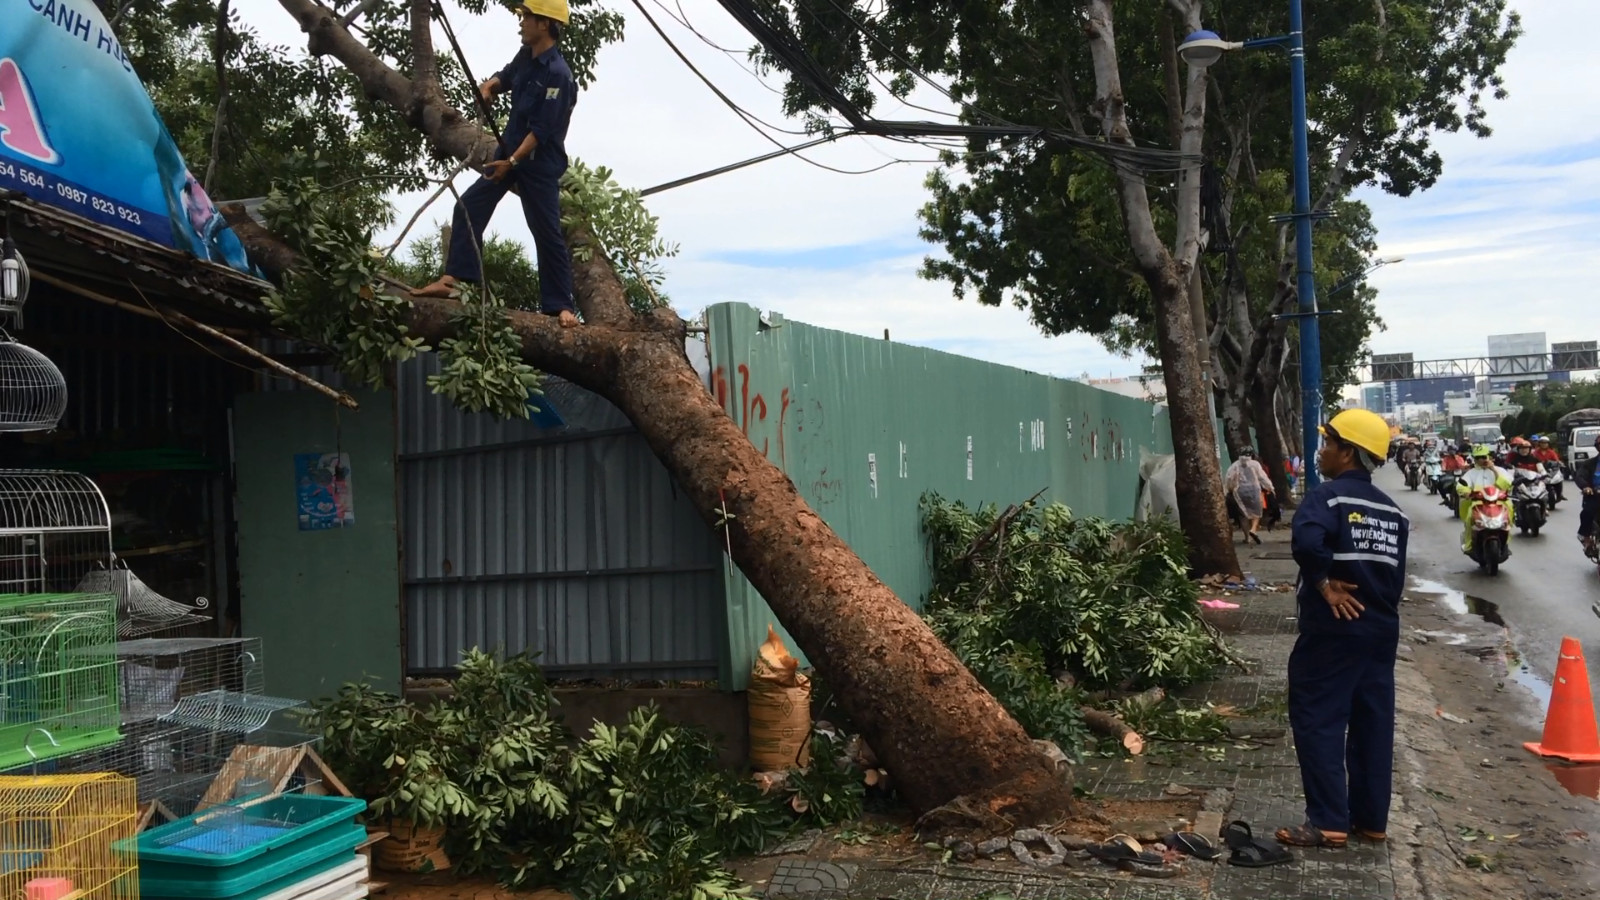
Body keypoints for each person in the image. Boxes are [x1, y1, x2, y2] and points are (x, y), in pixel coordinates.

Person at [1276, 408, 1408, 850]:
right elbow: (1395, 578)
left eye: (1329, 443)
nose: (1322, 452)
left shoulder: (1328, 498)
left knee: (1318, 718)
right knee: (1373, 724)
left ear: (1348, 452)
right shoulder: (1393, 512)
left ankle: (1328, 821)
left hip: (1333, 631)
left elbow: (1306, 541)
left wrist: (1323, 584)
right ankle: (1371, 821)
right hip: (1381, 633)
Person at [415, 0, 580, 328]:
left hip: (538, 163)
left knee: (546, 231)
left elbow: (542, 131)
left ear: (545, 24)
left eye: (527, 17)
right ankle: (457, 280)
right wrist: (489, 86)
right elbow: (506, 76)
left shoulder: (559, 75)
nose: (521, 22)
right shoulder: (526, 56)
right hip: (508, 152)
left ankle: (561, 307)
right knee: (468, 206)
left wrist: (513, 161)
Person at [1456, 444, 1513, 552]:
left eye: (1483, 457)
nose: (1481, 460)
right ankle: (1469, 543)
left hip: (1498, 501)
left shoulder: (1500, 470)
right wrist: (1466, 492)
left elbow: (1506, 484)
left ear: (1489, 457)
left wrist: (1493, 469)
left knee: (1509, 512)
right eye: (1478, 458)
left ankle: (1505, 542)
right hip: (1478, 502)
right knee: (1469, 518)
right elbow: (1461, 486)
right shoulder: (1471, 473)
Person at [1225, 448, 1274, 545]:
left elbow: (1229, 478)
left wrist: (1229, 489)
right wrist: (1270, 487)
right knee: (1257, 513)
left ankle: (1247, 537)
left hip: (1240, 492)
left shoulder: (1234, 465)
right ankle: (1253, 529)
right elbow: (1262, 477)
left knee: (1243, 515)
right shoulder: (1255, 464)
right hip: (1254, 491)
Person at [1575, 434, 1600, 553]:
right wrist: (1586, 487)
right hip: (1594, 494)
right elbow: (1580, 476)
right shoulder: (1589, 463)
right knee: (1587, 512)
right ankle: (1585, 537)